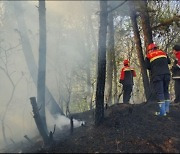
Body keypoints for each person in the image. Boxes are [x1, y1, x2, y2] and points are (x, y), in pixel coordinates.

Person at [145, 43, 171, 116]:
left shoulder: (148, 56)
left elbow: (148, 67)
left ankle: (162, 112)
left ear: (150, 50)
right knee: (166, 91)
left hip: (157, 76)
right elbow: (169, 62)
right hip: (167, 74)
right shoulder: (163, 53)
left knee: (160, 93)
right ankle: (167, 109)